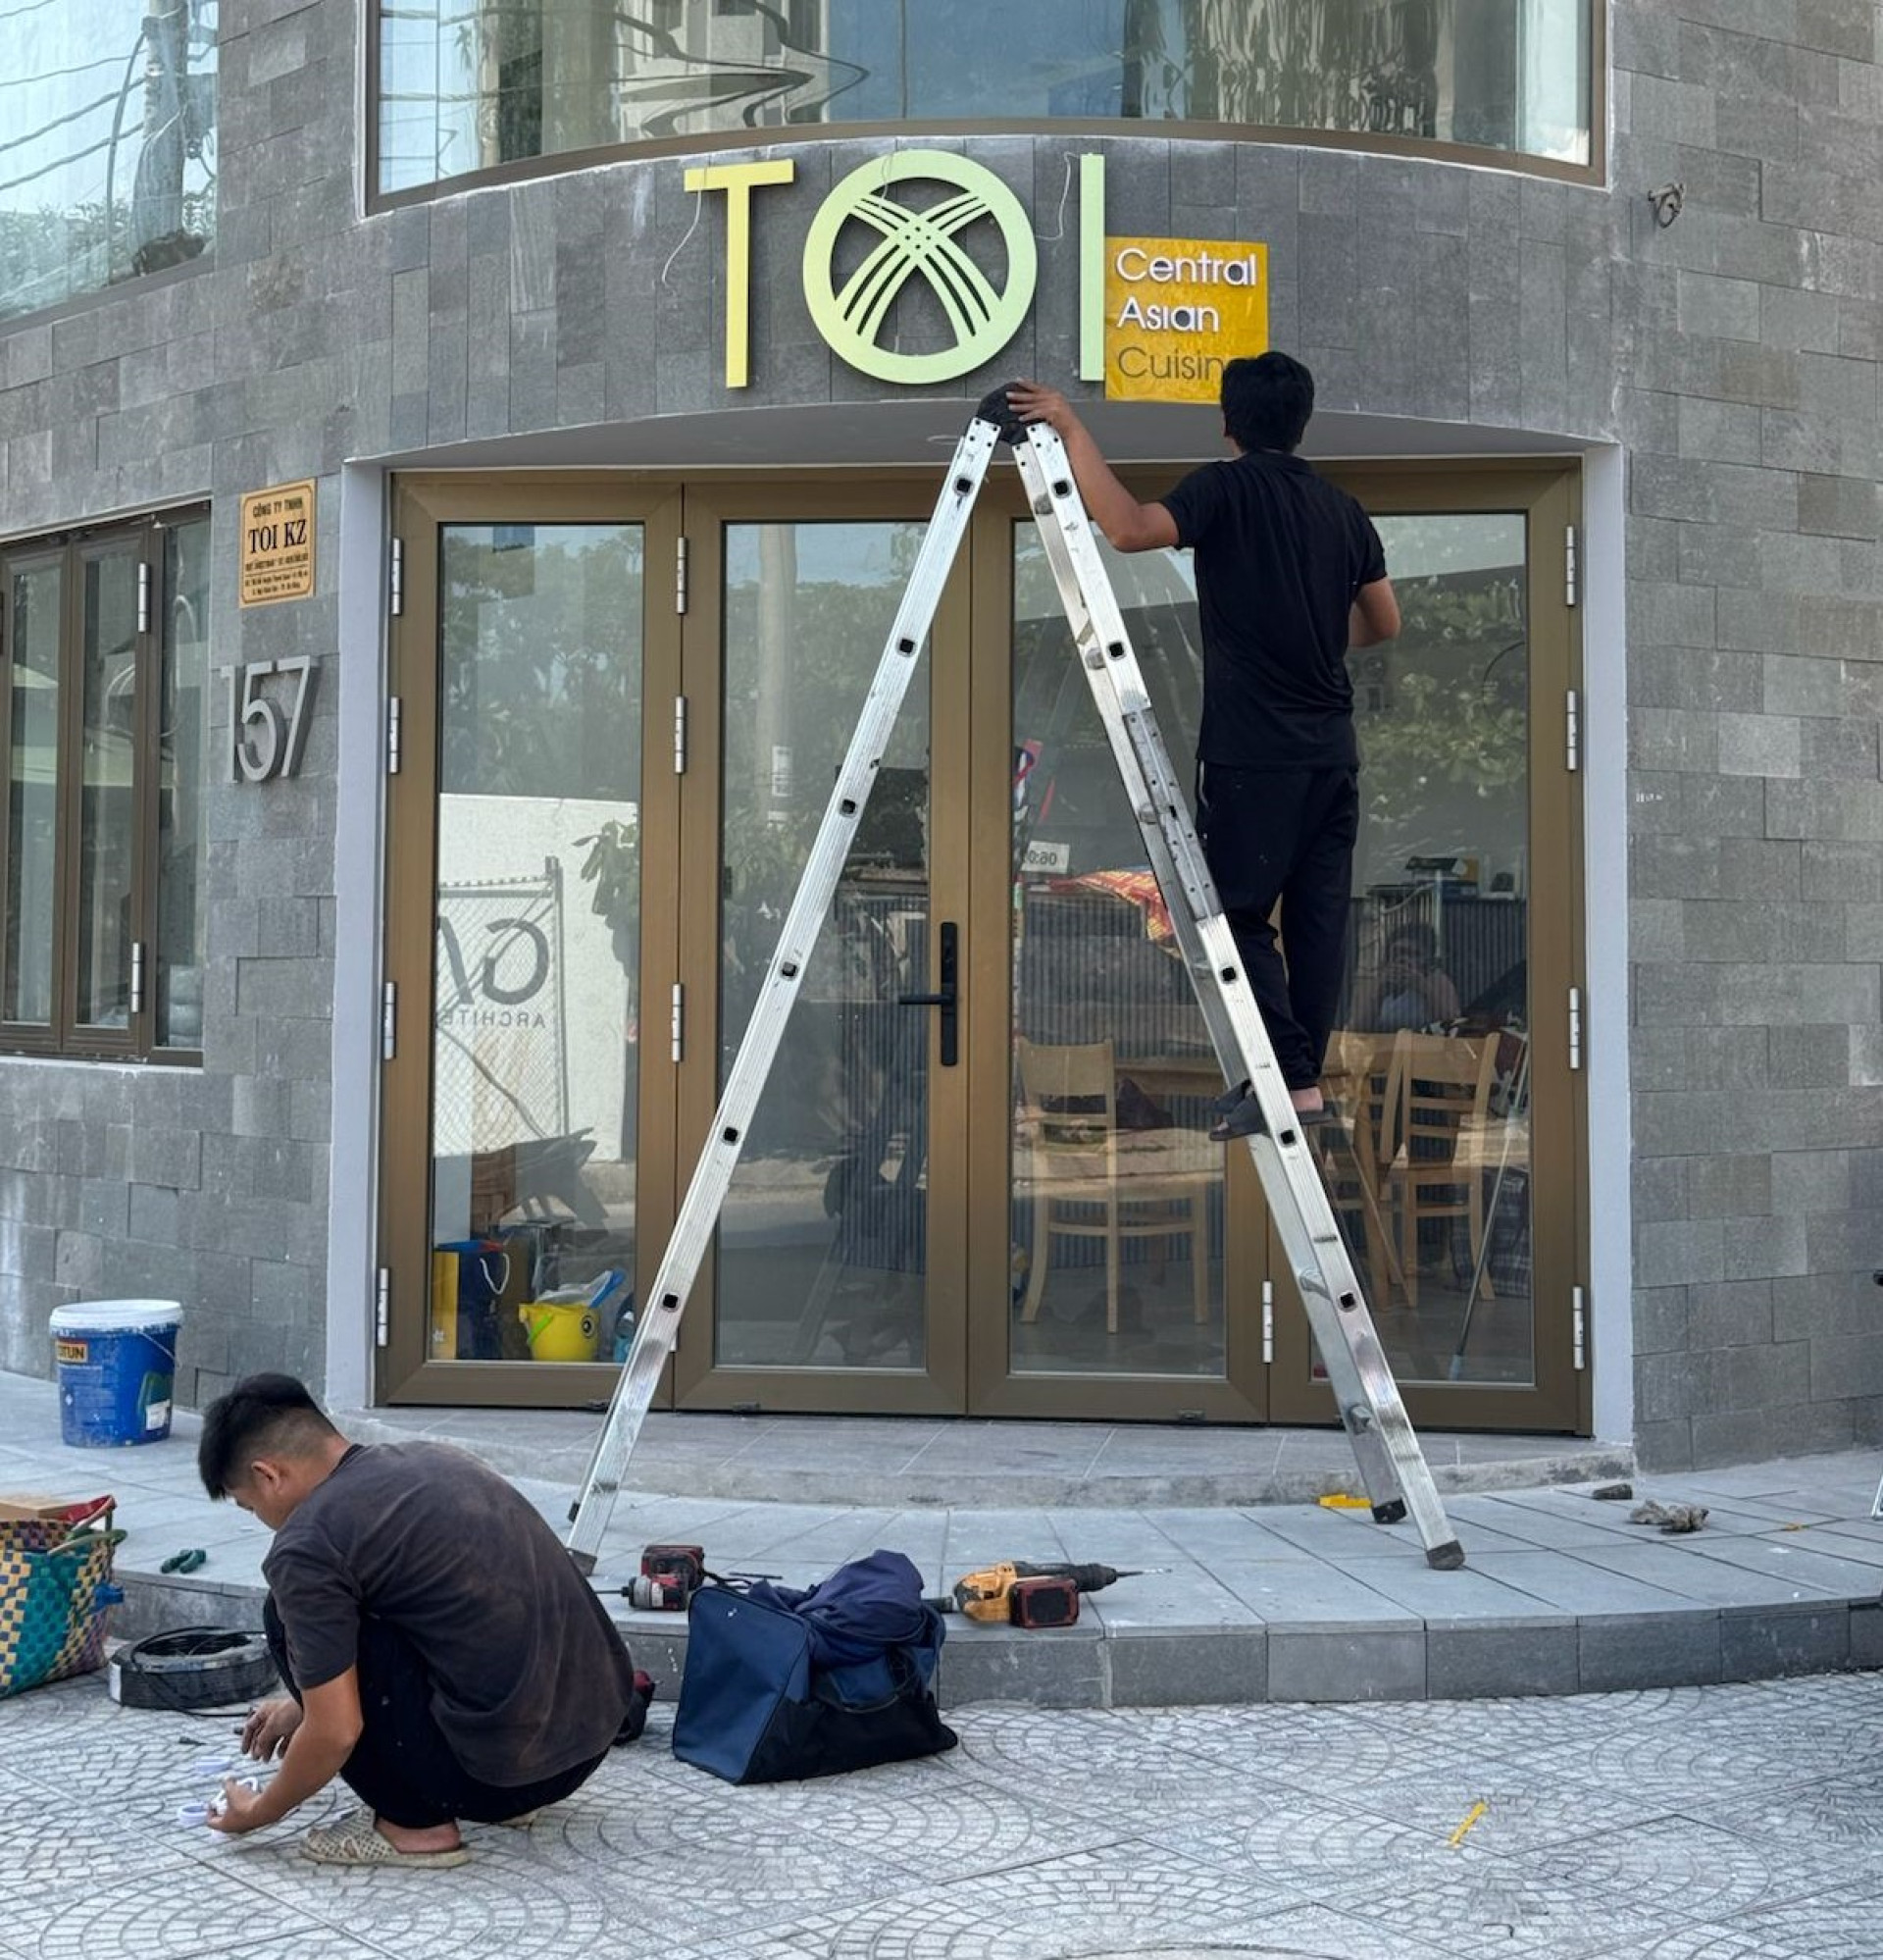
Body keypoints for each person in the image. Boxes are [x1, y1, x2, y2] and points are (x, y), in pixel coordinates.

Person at [1006, 355, 1400, 1130]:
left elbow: (1128, 529)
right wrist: (1316, 639)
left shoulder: (1227, 489)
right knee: (1317, 926)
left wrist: (1071, 426)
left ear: (1228, 423)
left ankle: (1289, 1080)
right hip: (1331, 754)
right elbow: (1383, 623)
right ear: (1302, 421)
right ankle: (1301, 1082)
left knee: (1235, 916)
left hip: (1254, 755)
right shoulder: (1344, 510)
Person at [196, 1373, 641, 1868]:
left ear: (267, 1475)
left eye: (250, 1506)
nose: (261, 1519)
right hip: (587, 1743)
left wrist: (259, 1811)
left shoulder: (307, 1545)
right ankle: (500, 1792)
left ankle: (414, 1828)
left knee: (281, 1614)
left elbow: (337, 1731)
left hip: (497, 1780)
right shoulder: (432, 1460)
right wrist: (304, 1702)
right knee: (353, 1614)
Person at [1351, 920, 1461, 1032]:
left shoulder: (1437, 981)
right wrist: (1379, 992)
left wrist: (1423, 987)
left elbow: (1452, 1025)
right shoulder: (1374, 984)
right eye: (1398, 952)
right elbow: (1356, 1029)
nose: (1403, 959)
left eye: (1414, 954)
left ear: (1427, 960)